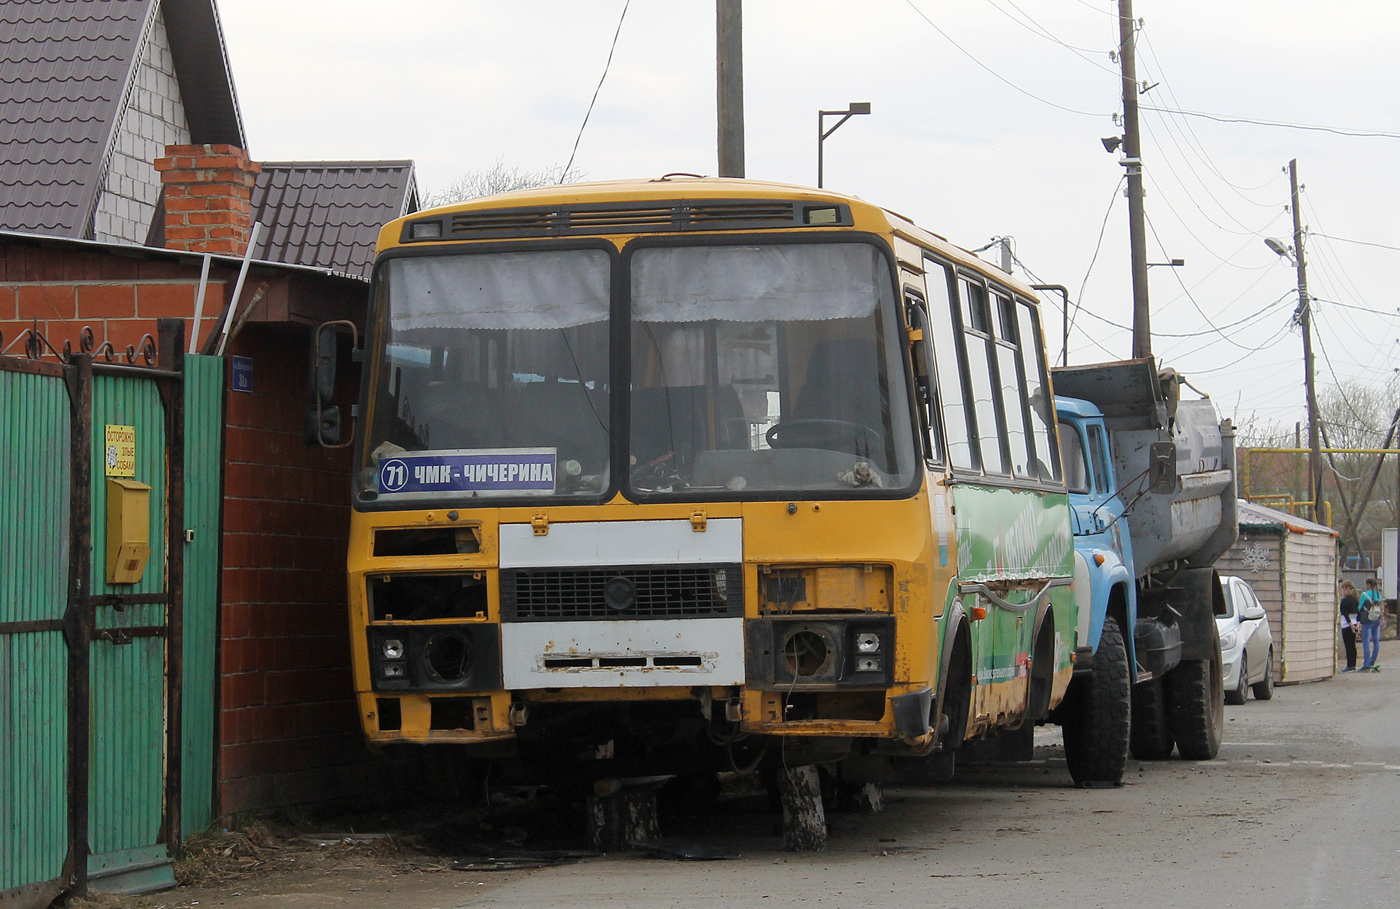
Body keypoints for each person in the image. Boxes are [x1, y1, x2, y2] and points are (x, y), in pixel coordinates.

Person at [1358, 576, 1383, 672]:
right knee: (1376, 640)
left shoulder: (1365, 595)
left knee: (1366, 641)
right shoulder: (1379, 594)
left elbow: (1360, 607)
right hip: (1377, 618)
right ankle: (1373, 660)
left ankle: (1366, 663)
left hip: (1368, 619)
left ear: (1368, 585)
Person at [1339, 580, 1360, 672]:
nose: (1342, 591)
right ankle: (1353, 664)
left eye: (1343, 589)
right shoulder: (1356, 600)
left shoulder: (1344, 601)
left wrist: (1350, 624)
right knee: (1353, 645)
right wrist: (1357, 624)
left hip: (1346, 624)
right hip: (1355, 623)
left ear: (1347, 588)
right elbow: (1359, 612)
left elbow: (1345, 613)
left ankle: (1349, 665)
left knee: (1348, 646)